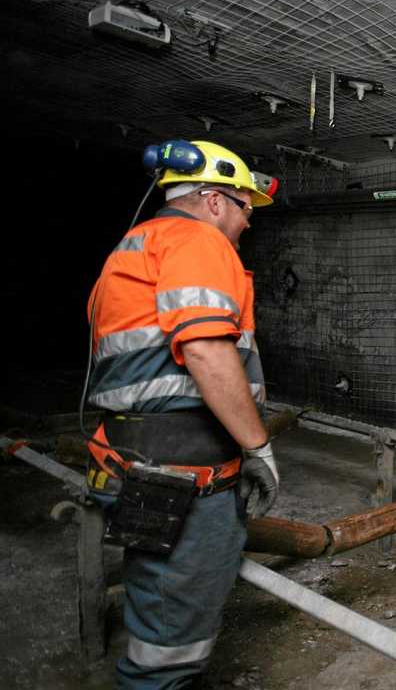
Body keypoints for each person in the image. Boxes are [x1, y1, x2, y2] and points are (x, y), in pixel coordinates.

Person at [84, 140, 279, 688]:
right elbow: (205, 350)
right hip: (183, 469)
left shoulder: (136, 244)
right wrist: (257, 446)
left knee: (157, 605)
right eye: (244, 207)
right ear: (214, 201)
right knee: (172, 648)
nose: (247, 222)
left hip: (137, 459)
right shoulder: (197, 239)